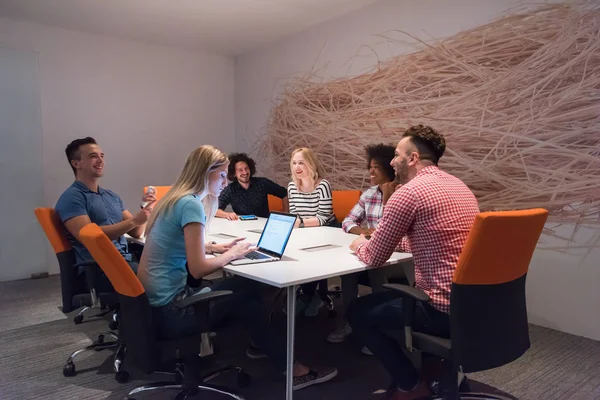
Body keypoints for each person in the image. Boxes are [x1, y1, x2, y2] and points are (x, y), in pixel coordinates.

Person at [137, 145, 337, 390]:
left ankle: (268, 347)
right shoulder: (190, 205)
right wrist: (231, 254)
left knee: (248, 296)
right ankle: (286, 362)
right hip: (173, 310)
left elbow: (182, 244)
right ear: (204, 173)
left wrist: (215, 247)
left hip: (151, 307)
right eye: (222, 175)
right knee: (251, 292)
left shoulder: (175, 200)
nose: (225, 181)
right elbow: (198, 269)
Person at [347, 125, 480, 400]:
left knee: (358, 311)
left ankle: (410, 384)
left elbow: (374, 257)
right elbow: (435, 238)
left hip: (440, 310)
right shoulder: (460, 186)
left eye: (397, 154)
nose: (392, 161)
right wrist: (396, 242)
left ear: (413, 158)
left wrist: (360, 243)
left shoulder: (407, 193)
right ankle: (439, 372)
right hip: (477, 305)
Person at [55, 137, 155, 292]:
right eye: (93, 156)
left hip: (124, 261)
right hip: (100, 269)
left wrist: (145, 209)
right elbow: (89, 237)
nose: (100, 160)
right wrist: (135, 220)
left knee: (169, 270)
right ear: (76, 164)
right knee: (157, 281)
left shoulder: (111, 196)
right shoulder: (72, 198)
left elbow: (136, 231)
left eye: (102, 156)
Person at [328, 143, 404, 344]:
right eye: (369, 166)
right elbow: (348, 221)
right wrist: (363, 231)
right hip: (371, 247)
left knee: (376, 269)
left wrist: (387, 197)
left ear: (388, 168)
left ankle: (381, 330)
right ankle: (349, 321)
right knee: (348, 274)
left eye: (376, 167)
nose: (370, 171)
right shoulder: (368, 194)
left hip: (397, 256)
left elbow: (391, 229)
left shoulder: (403, 192)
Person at [286, 147, 335, 316]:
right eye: (294, 163)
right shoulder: (292, 186)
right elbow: (294, 215)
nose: (297, 167)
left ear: (310, 164)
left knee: (313, 257)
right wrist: (298, 225)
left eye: (301, 163)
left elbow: (323, 217)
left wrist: (300, 224)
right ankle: (308, 295)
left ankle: (308, 296)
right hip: (305, 230)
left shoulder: (322, 185)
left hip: (327, 232)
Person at [216, 152, 288, 219]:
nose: (245, 172)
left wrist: (286, 215)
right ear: (234, 173)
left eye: (246, 168)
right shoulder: (230, 189)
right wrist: (227, 215)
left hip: (262, 225)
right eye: (240, 170)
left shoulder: (263, 183)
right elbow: (215, 210)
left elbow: (285, 194)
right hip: (241, 226)